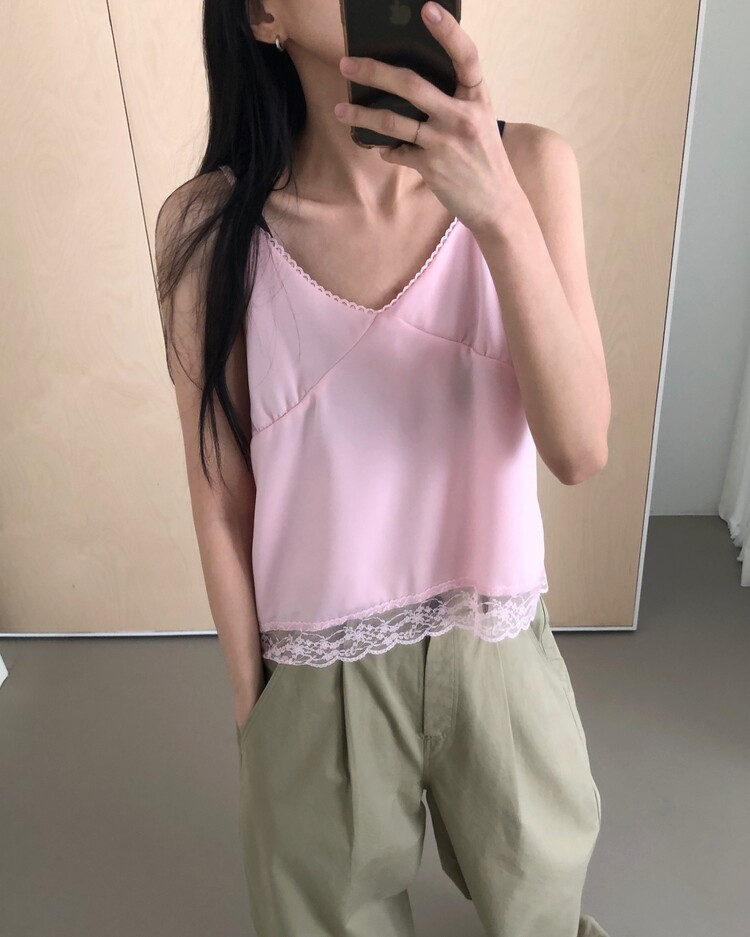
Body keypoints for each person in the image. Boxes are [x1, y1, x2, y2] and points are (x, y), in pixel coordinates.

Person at [155, 2, 612, 935]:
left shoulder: (531, 168)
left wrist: (497, 212)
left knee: (543, 895)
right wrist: (257, 718)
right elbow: (221, 500)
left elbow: (579, 449)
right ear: (263, 13)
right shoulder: (211, 227)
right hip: (317, 670)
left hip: (495, 639)